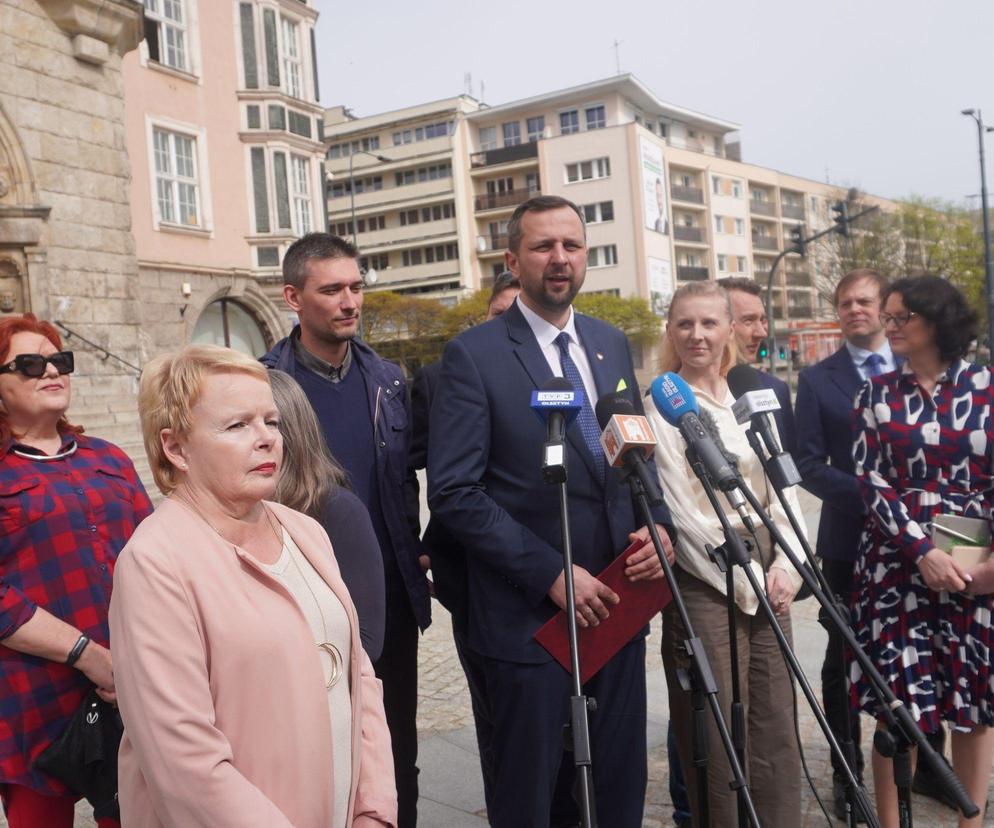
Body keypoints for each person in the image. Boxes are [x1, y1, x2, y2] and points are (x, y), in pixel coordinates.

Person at [427, 195, 676, 827]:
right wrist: (551, 573)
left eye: (571, 245)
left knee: (618, 783)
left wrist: (660, 528)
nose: (559, 259)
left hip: (615, 608)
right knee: (531, 795)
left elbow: (633, 455)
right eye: (542, 247)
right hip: (528, 619)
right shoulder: (474, 356)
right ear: (514, 260)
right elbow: (455, 493)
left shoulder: (610, 344)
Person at [110, 344, 396, 828]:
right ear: (176, 448)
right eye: (237, 425)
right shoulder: (155, 562)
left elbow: (360, 680)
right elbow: (185, 762)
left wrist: (373, 809)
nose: (267, 439)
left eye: (271, 421)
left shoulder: (304, 530)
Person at [261, 234, 429, 826]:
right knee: (309, 753)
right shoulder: (265, 387)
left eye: (356, 286)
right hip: (299, 599)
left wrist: (416, 549)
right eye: (331, 289)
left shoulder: (387, 378)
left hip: (388, 600)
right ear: (292, 297)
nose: (349, 301)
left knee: (394, 752)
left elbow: (406, 480)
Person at [647, 281, 804, 828]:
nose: (697, 335)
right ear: (670, 330)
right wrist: (747, 580)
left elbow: (783, 489)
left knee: (775, 724)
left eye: (709, 323)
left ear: (729, 329)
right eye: (684, 324)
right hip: (707, 575)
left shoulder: (748, 396)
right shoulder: (660, 403)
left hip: (768, 568)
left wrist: (787, 566)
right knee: (715, 736)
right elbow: (680, 513)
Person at [850, 275, 994, 828]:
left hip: (974, 562)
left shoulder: (986, 387)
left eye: (899, 317)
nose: (889, 326)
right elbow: (871, 481)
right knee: (897, 705)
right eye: (887, 317)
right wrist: (921, 551)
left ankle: (971, 822)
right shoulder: (876, 393)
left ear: (936, 320)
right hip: (894, 567)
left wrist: (989, 565)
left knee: (972, 701)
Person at [0, 313, 152, 828]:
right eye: (29, 364)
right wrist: (87, 655)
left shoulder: (108, 458)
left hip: (129, 685)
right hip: (31, 696)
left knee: (137, 816)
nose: (51, 371)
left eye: (59, 361)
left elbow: (156, 561)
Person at [408, 270, 520, 814]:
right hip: (474, 576)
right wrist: (421, 545)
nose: (514, 323)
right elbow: (422, 470)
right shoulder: (442, 377)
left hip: (553, 574)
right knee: (499, 718)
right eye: (502, 314)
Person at [269, 369, 386, 661]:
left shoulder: (338, 511)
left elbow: (366, 641)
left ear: (289, 432)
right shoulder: (232, 517)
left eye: (268, 423)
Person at [717, 276, 796, 453]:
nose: (761, 332)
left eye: (763, 320)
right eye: (748, 320)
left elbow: (794, 463)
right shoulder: (681, 395)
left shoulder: (775, 389)